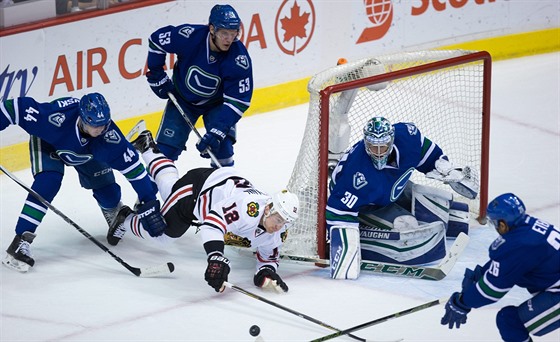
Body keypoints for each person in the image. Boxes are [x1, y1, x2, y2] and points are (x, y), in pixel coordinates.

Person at [108, 129, 299, 293]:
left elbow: (268, 256)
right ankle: (124, 218)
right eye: (278, 218)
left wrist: (266, 273)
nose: (279, 226)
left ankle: (148, 147)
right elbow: (213, 223)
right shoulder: (247, 208)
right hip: (197, 190)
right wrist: (215, 256)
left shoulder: (276, 229)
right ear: (268, 208)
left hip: (216, 186)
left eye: (285, 222)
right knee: (164, 234)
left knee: (170, 188)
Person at [0, 93, 165, 272]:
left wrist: (148, 202)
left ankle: (114, 214)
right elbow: (14, 107)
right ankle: (21, 240)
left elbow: (136, 172)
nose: (100, 129)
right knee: (48, 183)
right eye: (95, 125)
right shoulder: (53, 119)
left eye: (104, 124)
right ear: (82, 118)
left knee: (108, 193)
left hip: (85, 153)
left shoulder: (108, 137)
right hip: (49, 144)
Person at [326, 116, 479, 266]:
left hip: (389, 187)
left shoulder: (407, 138)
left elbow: (426, 152)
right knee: (405, 224)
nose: (379, 153)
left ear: (392, 141)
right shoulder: (356, 175)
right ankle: (367, 239)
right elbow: (338, 209)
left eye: (383, 147)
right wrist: (344, 244)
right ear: (366, 144)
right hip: (365, 203)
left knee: (435, 201)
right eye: (374, 147)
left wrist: (444, 167)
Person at [441, 193, 560, 341]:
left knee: (509, 321)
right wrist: (481, 274)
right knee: (510, 319)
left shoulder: (518, 244)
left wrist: (463, 302)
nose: (496, 227)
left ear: (503, 224)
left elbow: (492, 291)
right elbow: (511, 262)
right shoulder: (527, 226)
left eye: (495, 223)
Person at [145, 4, 253, 166]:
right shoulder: (189, 37)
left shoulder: (239, 59)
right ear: (212, 29)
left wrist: (217, 131)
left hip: (216, 105)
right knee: (165, 153)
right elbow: (157, 40)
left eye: (233, 33)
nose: (229, 39)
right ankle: (153, 190)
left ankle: (224, 189)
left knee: (223, 151)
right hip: (182, 99)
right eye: (224, 33)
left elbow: (239, 101)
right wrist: (156, 74)